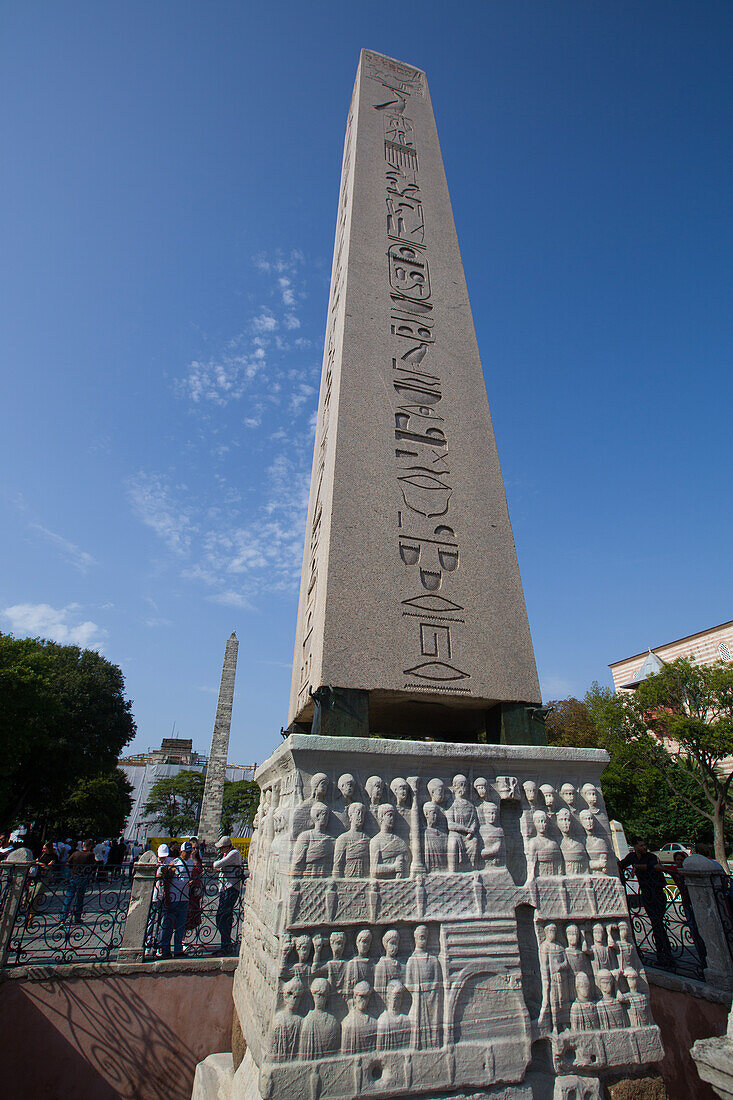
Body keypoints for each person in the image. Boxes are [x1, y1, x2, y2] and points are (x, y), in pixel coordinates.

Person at [619, 837, 673, 966]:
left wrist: (637, 867)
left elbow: (653, 866)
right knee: (655, 923)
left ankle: (666, 954)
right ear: (635, 847)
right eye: (641, 845)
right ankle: (662, 954)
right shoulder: (632, 856)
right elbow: (621, 864)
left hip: (657, 891)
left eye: (644, 845)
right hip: (647, 893)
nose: (644, 847)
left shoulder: (651, 856)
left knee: (658, 923)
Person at [157, 841, 191, 958]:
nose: (188, 854)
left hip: (184, 898)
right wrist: (167, 896)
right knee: (168, 925)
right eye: (186, 852)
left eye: (190, 852)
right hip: (173, 898)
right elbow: (167, 880)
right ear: (181, 852)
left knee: (181, 926)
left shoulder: (190, 862)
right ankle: (164, 949)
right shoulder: (174, 863)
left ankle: (178, 949)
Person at [212, 836, 242, 955]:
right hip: (225, 888)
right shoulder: (228, 853)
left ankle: (226, 945)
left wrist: (218, 867)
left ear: (226, 847)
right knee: (223, 917)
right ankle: (225, 944)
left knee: (223, 916)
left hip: (231, 888)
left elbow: (217, 864)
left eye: (221, 848)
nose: (219, 850)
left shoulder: (234, 853)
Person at [61, 840, 95, 923]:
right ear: (90, 846)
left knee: (69, 897)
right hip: (83, 877)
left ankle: (63, 917)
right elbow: (93, 866)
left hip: (74, 876)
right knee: (80, 898)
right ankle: (77, 916)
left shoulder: (76, 853)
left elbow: (68, 863)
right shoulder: (90, 855)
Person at [26, 841, 57, 929]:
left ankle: (30, 919)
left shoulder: (53, 856)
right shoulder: (41, 855)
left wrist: (39, 863)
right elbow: (35, 861)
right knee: (28, 897)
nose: (43, 850)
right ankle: (28, 915)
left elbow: (48, 867)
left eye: (45, 849)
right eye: (43, 848)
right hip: (35, 877)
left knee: (36, 897)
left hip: (43, 878)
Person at [183, 840, 203, 942]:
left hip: (196, 892)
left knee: (192, 917)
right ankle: (182, 941)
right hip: (187, 891)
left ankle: (186, 940)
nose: (195, 850)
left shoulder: (198, 860)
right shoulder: (186, 861)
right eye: (193, 848)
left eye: (197, 848)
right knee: (184, 916)